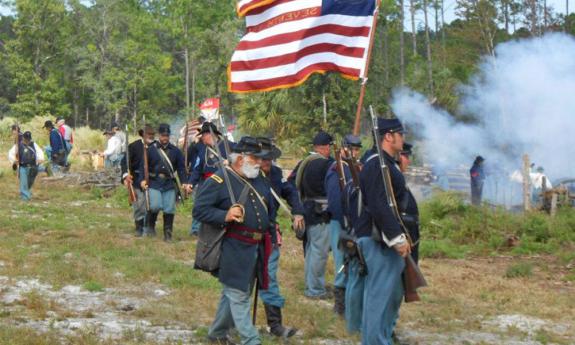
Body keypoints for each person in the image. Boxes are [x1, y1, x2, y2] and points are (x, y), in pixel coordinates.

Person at [193, 136, 274, 345]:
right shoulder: (219, 180)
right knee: (238, 295)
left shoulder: (259, 180)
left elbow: (268, 210)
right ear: (241, 159)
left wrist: (272, 233)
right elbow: (199, 210)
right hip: (233, 247)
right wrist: (225, 216)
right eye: (255, 158)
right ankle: (251, 340)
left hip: (255, 248)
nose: (259, 162)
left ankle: (217, 333)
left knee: (234, 291)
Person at [358, 117, 412, 345]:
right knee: (378, 299)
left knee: (383, 297)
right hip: (379, 239)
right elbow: (379, 206)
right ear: (389, 136)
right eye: (401, 134)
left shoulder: (386, 164)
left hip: (384, 238)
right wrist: (397, 237)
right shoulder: (376, 165)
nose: (404, 139)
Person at [257, 137, 303, 338]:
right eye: (263, 159)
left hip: (268, 235)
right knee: (238, 285)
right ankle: (223, 328)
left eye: (269, 159)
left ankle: (275, 326)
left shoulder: (276, 174)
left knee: (269, 279)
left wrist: (298, 212)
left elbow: (290, 192)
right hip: (244, 236)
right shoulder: (243, 174)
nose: (267, 163)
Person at [288, 130, 334, 299]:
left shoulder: (304, 162)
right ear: (325, 147)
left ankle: (312, 285)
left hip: (306, 210)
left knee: (311, 250)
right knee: (319, 253)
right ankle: (315, 290)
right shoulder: (327, 164)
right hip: (321, 212)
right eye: (329, 146)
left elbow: (291, 183)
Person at [324, 134, 362, 315]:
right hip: (341, 223)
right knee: (341, 262)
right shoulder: (336, 169)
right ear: (344, 149)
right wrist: (346, 221)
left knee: (353, 263)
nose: (354, 152)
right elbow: (335, 201)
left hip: (353, 223)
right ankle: (339, 306)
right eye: (352, 149)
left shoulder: (354, 168)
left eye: (357, 149)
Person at [139, 124, 187, 241]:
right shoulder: (150, 149)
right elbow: (143, 167)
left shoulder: (175, 151)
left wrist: (184, 182)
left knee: (169, 208)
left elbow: (181, 168)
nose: (165, 137)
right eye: (162, 135)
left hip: (169, 183)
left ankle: (168, 234)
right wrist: (142, 180)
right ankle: (150, 226)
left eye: (167, 135)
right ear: (159, 135)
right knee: (154, 206)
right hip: (154, 182)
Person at [187, 122, 228, 236]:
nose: (202, 138)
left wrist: (230, 161)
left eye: (204, 135)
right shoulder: (203, 149)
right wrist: (191, 183)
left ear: (210, 134)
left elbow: (238, 158)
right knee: (199, 204)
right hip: (205, 182)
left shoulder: (228, 146)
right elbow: (197, 168)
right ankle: (196, 229)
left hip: (222, 182)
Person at [121, 125, 155, 237]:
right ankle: (139, 227)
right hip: (136, 179)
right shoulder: (134, 146)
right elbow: (124, 162)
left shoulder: (155, 147)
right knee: (139, 204)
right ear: (143, 135)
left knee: (151, 205)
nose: (151, 136)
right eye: (148, 134)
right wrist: (126, 175)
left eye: (152, 134)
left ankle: (149, 226)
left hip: (152, 180)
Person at [8, 131, 45, 201]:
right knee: (23, 183)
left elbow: (39, 152)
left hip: (33, 167)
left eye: (28, 139)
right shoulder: (18, 146)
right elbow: (11, 154)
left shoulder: (34, 144)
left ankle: (27, 194)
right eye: (26, 139)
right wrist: (14, 161)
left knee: (30, 183)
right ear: (23, 138)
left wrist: (40, 159)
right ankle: (25, 198)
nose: (27, 141)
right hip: (23, 167)